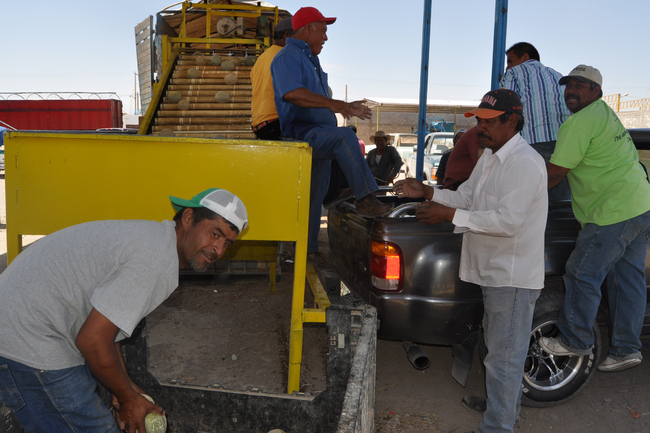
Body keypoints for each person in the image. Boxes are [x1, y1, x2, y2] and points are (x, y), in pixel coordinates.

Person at [0, 188, 248, 433]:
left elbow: (108, 330)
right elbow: (93, 340)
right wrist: (128, 399)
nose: (219, 250)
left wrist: (125, 389)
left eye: (227, 242)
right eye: (215, 234)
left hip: (27, 323)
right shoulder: (154, 259)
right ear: (188, 218)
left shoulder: (156, 242)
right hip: (26, 336)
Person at [394, 89, 547, 433]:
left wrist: (448, 214)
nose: (481, 127)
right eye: (479, 120)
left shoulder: (524, 163)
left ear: (512, 121)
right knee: (499, 351)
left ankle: (498, 425)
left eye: (489, 121)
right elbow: (466, 197)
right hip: (492, 270)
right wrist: (428, 192)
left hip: (511, 276)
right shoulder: (490, 157)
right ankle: (502, 409)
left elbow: (507, 222)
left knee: (504, 357)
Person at [540, 65, 650, 372]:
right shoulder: (605, 113)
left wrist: (517, 194)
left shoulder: (579, 123)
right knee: (627, 281)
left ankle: (575, 339)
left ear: (597, 91)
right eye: (569, 85)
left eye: (580, 85)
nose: (571, 90)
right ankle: (626, 349)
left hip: (613, 211)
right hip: (640, 206)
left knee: (581, 273)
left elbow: (555, 173)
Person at [271, 6, 390, 264]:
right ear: (308, 29)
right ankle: (365, 198)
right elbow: (292, 93)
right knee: (345, 137)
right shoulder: (288, 57)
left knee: (314, 199)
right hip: (302, 133)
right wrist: (337, 105)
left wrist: (344, 106)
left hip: (318, 135)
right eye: (323, 31)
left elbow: (317, 100)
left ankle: (309, 249)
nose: (325, 37)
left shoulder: (310, 60)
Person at [500, 42, 572, 201]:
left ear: (525, 57)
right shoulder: (558, 76)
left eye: (510, 61)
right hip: (564, 147)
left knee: (526, 202)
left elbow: (506, 109)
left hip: (533, 145)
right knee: (559, 205)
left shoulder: (513, 73)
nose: (507, 67)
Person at [250, 16, 293, 139]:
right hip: (276, 123)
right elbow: (293, 94)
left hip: (260, 125)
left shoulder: (262, 58)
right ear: (287, 34)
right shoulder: (285, 56)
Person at [441, 126, 482, 190]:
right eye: (459, 138)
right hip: (458, 182)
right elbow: (478, 164)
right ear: (454, 140)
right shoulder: (473, 137)